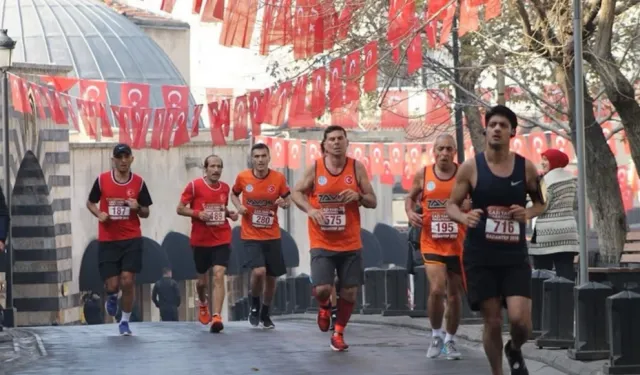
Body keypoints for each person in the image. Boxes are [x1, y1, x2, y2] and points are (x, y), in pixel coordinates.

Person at [446, 105, 546, 375]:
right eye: (493, 125)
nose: (497, 129)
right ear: (486, 130)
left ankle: (514, 347)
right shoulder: (470, 167)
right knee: (491, 321)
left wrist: (527, 212)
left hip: (514, 256)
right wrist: (463, 218)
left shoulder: (526, 168)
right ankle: (498, 372)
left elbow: (540, 204)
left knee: (521, 322)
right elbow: (451, 205)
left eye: (503, 125)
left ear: (512, 132)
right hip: (480, 256)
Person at [291, 125, 377, 352]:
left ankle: (338, 332)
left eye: (341, 138)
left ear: (347, 142)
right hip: (322, 240)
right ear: (324, 145)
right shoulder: (316, 169)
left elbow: (372, 200)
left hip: (350, 241)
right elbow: (296, 192)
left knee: (349, 291)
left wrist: (359, 196)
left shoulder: (356, 168)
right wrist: (310, 210)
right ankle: (323, 306)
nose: (337, 142)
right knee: (322, 288)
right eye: (332, 139)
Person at [405, 134, 467, 360]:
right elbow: (410, 198)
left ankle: (450, 340)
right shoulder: (424, 174)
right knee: (437, 289)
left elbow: (477, 200)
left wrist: (469, 206)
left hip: (458, 244)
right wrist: (411, 212)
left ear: (454, 152)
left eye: (449, 149)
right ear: (434, 151)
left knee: (453, 296)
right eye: (440, 148)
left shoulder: (464, 173)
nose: (444, 153)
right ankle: (435, 334)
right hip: (431, 241)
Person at [86, 143, 153, 336]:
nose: (123, 161)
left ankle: (124, 320)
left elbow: (147, 211)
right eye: (119, 157)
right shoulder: (102, 180)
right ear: (113, 160)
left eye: (127, 157)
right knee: (113, 284)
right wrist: (99, 214)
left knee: (128, 280)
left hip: (132, 238)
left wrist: (138, 207)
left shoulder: (138, 183)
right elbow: (90, 202)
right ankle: (112, 296)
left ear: (132, 159)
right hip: (108, 239)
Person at [231, 143, 291, 329]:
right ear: (252, 159)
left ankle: (265, 311)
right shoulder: (243, 177)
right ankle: (254, 303)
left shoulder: (278, 178)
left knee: (272, 277)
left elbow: (288, 199)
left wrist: (284, 203)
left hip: (272, 234)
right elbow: (233, 194)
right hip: (251, 235)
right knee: (259, 271)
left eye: (263, 156)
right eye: (256, 156)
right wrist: (238, 206)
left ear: (269, 158)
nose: (260, 160)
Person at [177, 154, 238, 333]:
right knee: (202, 281)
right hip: (201, 240)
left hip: (221, 237)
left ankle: (217, 316)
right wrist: (197, 214)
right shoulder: (194, 186)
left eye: (219, 167)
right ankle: (203, 303)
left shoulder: (225, 188)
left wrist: (229, 214)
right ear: (205, 169)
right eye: (212, 166)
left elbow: (220, 208)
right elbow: (179, 208)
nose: (216, 170)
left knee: (219, 274)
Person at [529, 149, 578, 280]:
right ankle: (567, 300)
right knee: (566, 274)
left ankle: (545, 300)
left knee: (541, 274)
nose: (542, 163)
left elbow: (540, 206)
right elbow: (577, 204)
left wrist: (527, 204)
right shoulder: (572, 180)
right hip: (569, 234)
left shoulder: (545, 181)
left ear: (554, 162)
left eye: (546, 159)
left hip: (547, 235)